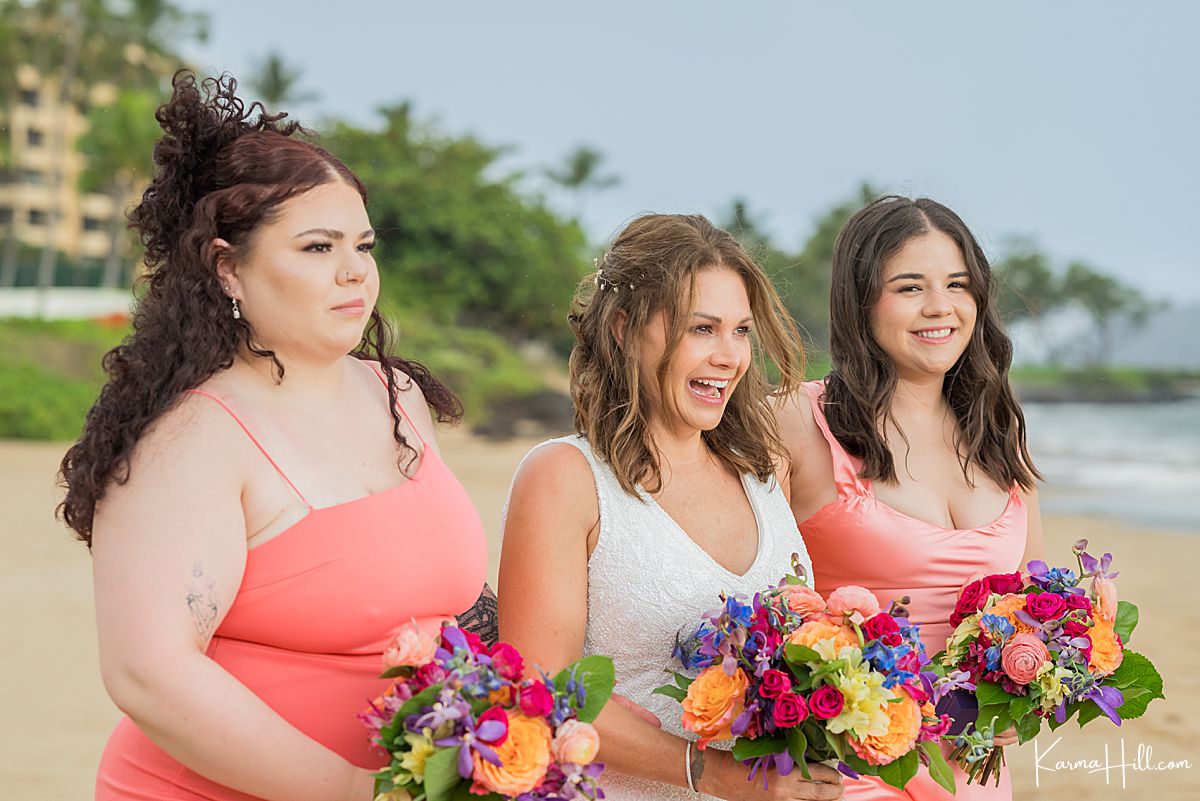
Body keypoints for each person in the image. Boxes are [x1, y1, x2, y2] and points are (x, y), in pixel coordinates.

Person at [58, 73, 488, 801]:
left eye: (363, 244)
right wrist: (361, 790)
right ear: (228, 267)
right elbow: (149, 673)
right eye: (318, 248)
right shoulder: (191, 439)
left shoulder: (400, 398)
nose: (355, 271)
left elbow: (442, 599)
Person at [498, 214, 844, 801]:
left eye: (740, 332)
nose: (730, 357)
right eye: (702, 329)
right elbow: (541, 689)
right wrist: (725, 779)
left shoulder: (765, 472)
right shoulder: (565, 478)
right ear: (624, 328)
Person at [775, 196, 1044, 800]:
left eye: (958, 285)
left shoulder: (995, 429)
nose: (940, 307)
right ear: (861, 301)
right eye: (909, 287)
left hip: (974, 774)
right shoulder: (799, 418)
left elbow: (1033, 601)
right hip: (850, 771)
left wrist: (1025, 696)